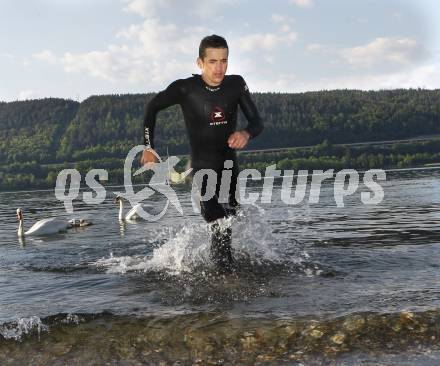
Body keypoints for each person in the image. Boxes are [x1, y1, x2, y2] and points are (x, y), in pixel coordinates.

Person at [140, 34, 263, 273]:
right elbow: (151, 107)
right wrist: (148, 147)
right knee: (217, 218)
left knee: (229, 218)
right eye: (213, 61)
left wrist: (246, 133)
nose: (219, 68)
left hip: (229, 166)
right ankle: (225, 276)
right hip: (202, 167)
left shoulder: (236, 85)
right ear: (200, 63)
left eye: (224, 61)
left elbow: (257, 121)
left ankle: (222, 275)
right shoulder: (185, 88)